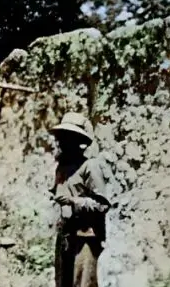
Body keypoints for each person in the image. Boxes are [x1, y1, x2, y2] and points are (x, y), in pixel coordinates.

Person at [50, 112, 111, 287]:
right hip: (65, 237)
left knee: (83, 282)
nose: (62, 142)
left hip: (85, 238)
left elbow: (102, 205)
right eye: (61, 137)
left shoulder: (90, 167)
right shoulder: (62, 168)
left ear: (77, 141)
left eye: (67, 138)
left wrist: (73, 201)